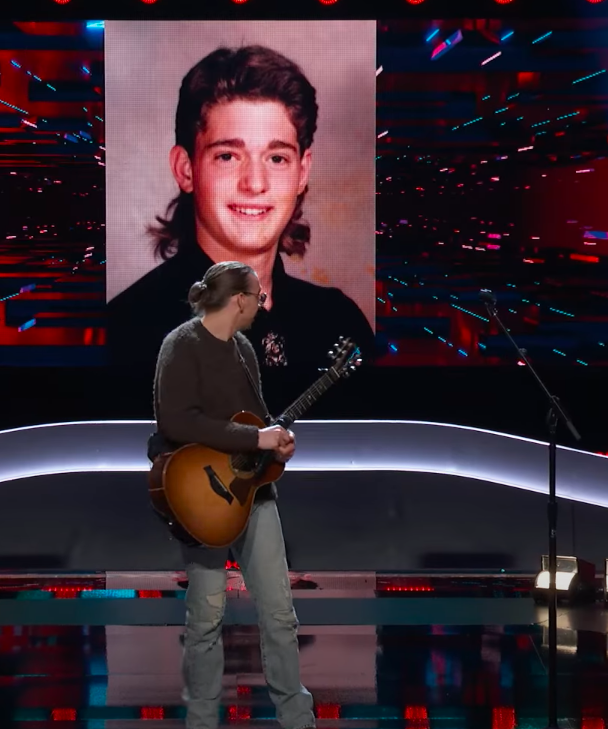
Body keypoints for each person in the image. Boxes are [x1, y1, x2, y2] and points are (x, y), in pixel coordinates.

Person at [108, 44, 374, 369]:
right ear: (185, 169)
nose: (254, 183)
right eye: (227, 156)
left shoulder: (340, 323)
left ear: (302, 172)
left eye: (277, 158)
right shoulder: (126, 332)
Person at [150, 261, 316, 729]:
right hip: (201, 500)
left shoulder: (244, 348)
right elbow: (177, 422)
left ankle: (297, 718)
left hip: (254, 496)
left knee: (280, 613)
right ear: (239, 300)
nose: (262, 306)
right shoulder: (181, 345)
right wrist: (254, 440)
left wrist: (276, 442)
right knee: (206, 615)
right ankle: (201, 720)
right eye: (258, 298)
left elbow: (255, 425)